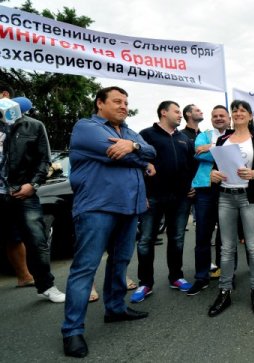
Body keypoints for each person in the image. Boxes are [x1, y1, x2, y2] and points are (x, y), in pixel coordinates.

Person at [62, 86, 156, 357]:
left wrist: (135, 145)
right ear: (100, 103)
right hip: (97, 208)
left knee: (120, 261)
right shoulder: (86, 127)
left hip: (129, 208)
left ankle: (115, 309)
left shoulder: (128, 131)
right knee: (85, 268)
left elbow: (152, 152)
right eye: (117, 101)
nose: (124, 106)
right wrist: (140, 159)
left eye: (126, 102)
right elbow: (124, 157)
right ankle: (72, 331)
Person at [207, 100, 254, 317]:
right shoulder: (222, 139)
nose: (238, 113)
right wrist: (213, 175)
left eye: (242, 110)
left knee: (253, 247)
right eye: (234, 110)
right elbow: (216, 167)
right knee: (227, 248)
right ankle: (224, 291)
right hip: (226, 196)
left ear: (250, 116)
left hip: (250, 197)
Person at [0, 92, 65, 305]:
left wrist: (32, 185)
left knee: (37, 240)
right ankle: (24, 277)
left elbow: (43, 159)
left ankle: (46, 286)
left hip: (22, 193)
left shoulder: (33, 126)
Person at [131, 101, 196, 303]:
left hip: (181, 197)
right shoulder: (146, 135)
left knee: (177, 238)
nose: (180, 115)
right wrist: (141, 194)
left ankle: (176, 277)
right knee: (146, 240)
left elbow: (192, 164)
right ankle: (145, 283)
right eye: (177, 111)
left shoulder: (184, 138)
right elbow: (137, 164)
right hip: (153, 197)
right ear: (163, 112)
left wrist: (193, 184)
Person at [187, 105, 230, 295]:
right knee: (203, 235)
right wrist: (218, 149)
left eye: (222, 115)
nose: (219, 118)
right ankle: (201, 277)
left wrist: (212, 147)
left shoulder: (235, 134)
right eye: (215, 116)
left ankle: (227, 274)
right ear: (211, 119)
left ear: (228, 118)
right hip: (205, 189)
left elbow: (235, 154)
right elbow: (198, 153)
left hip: (228, 188)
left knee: (226, 236)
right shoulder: (203, 135)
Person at [0, 83, 36, 288]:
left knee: (12, 235)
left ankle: (25, 276)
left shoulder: (16, 118)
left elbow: (24, 103)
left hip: (7, 187)